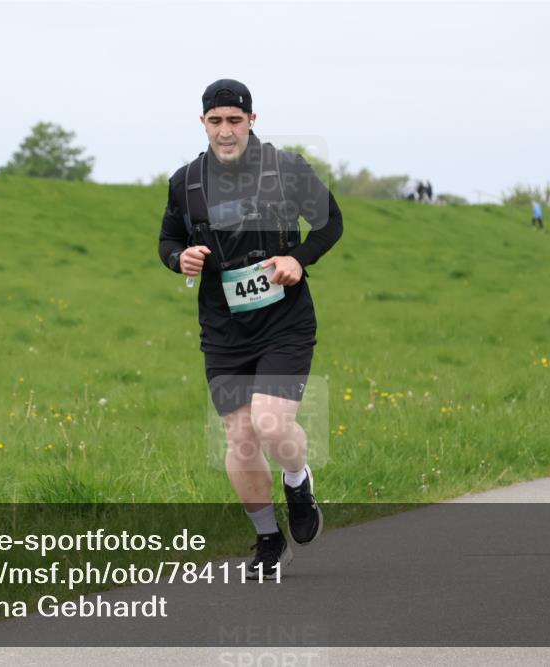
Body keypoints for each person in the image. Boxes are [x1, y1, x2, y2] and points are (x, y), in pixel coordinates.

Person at [158, 79, 344, 578]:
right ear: (203, 123)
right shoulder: (185, 181)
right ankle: (267, 539)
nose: (225, 130)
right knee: (239, 438)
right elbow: (168, 239)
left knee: (271, 423)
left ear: (252, 120)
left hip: (284, 321)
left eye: (234, 120)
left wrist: (298, 258)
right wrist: (182, 257)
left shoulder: (286, 170)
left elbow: (331, 222)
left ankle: (297, 480)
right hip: (223, 328)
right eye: (215, 120)